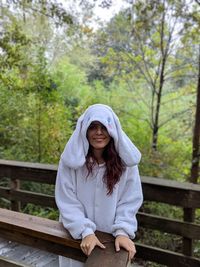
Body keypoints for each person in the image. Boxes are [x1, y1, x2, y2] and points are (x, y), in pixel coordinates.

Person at [55, 103, 143, 267]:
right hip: (76, 235)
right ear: (84, 131)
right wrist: (85, 231)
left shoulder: (126, 163)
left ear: (113, 130)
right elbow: (67, 200)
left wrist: (123, 231)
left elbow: (130, 200)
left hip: (111, 240)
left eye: (104, 127)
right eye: (93, 127)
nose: (99, 132)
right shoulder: (71, 161)